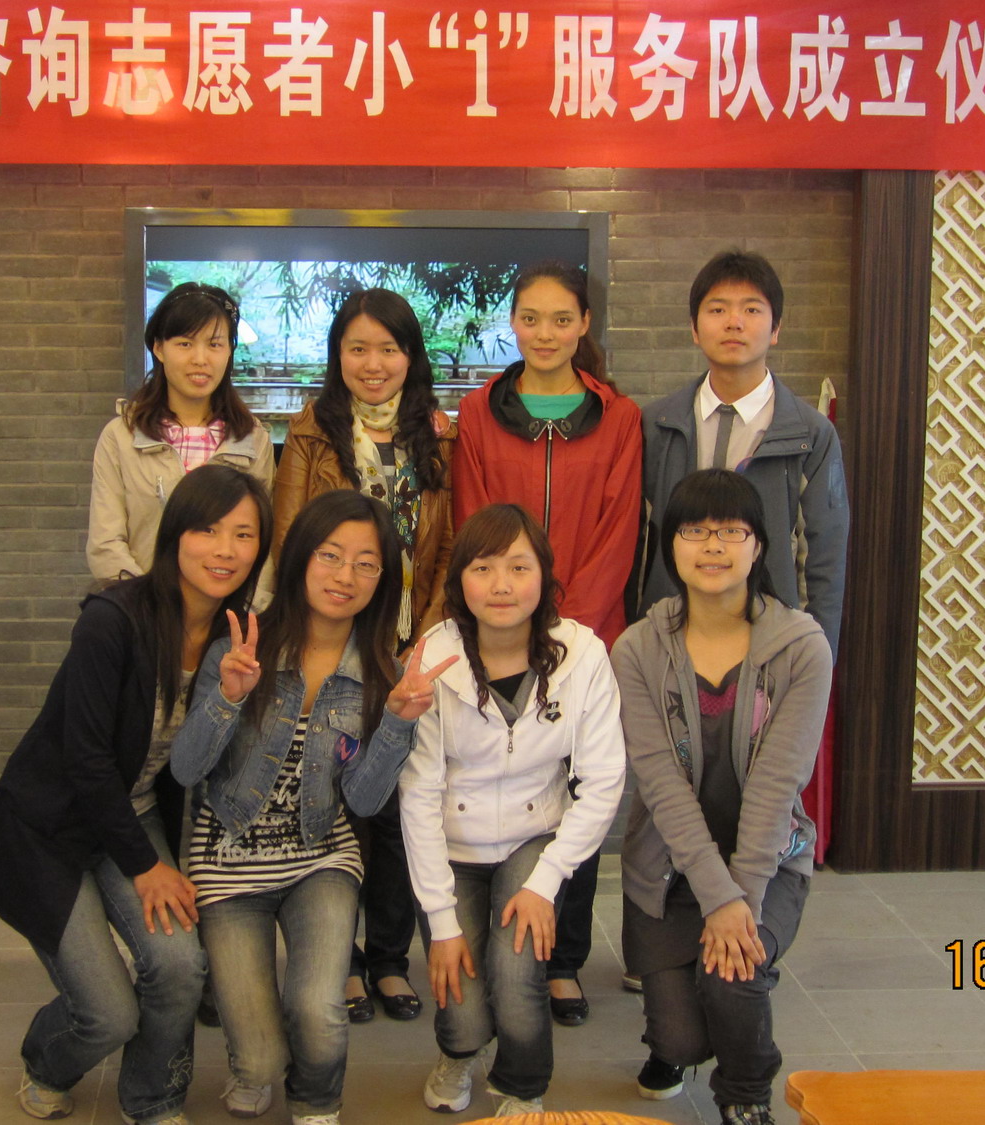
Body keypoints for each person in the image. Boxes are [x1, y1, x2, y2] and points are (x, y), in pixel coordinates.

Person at [0, 465, 273, 1125]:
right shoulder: (113, 619)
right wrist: (146, 865)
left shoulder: (236, 636)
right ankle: (47, 1061)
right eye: (208, 530)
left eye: (244, 534)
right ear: (174, 535)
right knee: (107, 1013)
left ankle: (152, 1097)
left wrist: (230, 698)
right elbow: (85, 759)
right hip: (50, 825)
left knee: (179, 967)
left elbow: (198, 762)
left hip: (133, 813)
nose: (225, 549)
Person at [172, 489, 458, 1125]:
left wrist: (398, 724)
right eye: (331, 555)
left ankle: (317, 1104)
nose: (345, 576)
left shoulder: (382, 672)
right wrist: (226, 697)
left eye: (366, 563)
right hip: (228, 862)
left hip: (321, 856)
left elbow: (363, 800)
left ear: (383, 579)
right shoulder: (239, 648)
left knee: (319, 1012)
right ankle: (254, 1067)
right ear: (301, 557)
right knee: (259, 1059)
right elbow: (186, 770)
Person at [451, 260, 641, 1025]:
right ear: (513, 322)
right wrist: (509, 612)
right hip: (496, 627)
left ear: (584, 324)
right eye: (530, 317)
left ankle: (562, 959)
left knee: (581, 786)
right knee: (502, 776)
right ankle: (493, 931)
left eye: (562, 319)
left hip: (586, 635)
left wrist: (564, 632)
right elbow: (475, 522)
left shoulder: (618, 417)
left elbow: (619, 531)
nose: (546, 333)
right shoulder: (479, 412)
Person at [613, 469, 832, 1125]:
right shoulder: (637, 648)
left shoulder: (802, 647)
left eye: (731, 531)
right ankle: (675, 1038)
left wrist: (739, 901)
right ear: (670, 546)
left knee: (733, 977)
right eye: (694, 530)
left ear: (759, 545)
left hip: (766, 858)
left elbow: (776, 784)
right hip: (666, 864)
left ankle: (745, 1094)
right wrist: (716, 896)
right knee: (679, 1040)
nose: (712, 546)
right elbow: (660, 784)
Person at [400, 503, 626, 1118]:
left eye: (519, 567)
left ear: (544, 577)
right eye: (483, 567)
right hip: (451, 841)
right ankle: (458, 1053)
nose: (501, 585)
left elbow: (604, 779)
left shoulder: (582, 653)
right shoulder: (433, 657)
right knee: (461, 995)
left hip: (535, 834)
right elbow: (418, 793)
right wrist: (440, 920)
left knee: (519, 972)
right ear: (460, 581)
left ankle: (523, 1091)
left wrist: (546, 881)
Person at [273, 287, 457, 1024]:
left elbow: (449, 546)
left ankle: (387, 957)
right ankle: (340, 958)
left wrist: (425, 636)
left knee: (399, 804)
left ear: (410, 357)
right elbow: (292, 539)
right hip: (337, 643)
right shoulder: (311, 431)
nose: (373, 363)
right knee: (334, 795)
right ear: (337, 356)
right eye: (358, 348)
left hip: (409, 646)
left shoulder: (439, 436)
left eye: (388, 348)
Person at [639, 250, 848, 655]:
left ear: (775, 328)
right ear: (694, 328)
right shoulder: (655, 426)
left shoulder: (811, 435)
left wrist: (817, 658)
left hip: (771, 644)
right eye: (717, 309)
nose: (734, 322)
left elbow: (824, 556)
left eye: (751, 309)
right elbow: (637, 545)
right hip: (669, 638)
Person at [89, 281, 276, 583]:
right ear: (159, 348)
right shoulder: (121, 436)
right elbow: (106, 544)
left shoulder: (252, 439)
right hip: (140, 604)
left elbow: (263, 546)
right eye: (185, 344)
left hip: (228, 609)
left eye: (214, 344)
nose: (200, 359)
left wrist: (249, 607)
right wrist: (147, 603)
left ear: (229, 351)